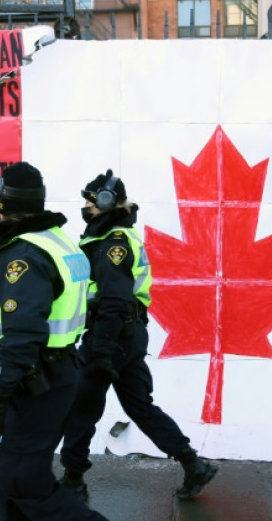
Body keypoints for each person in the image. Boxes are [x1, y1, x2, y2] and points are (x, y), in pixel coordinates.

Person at [57, 169, 218, 503]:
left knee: (81, 407)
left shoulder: (112, 241)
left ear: (104, 203)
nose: (85, 206)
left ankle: (73, 480)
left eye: (89, 201)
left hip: (111, 333)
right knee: (140, 407)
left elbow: (114, 297)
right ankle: (193, 464)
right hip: (128, 333)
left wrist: (100, 347)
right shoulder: (113, 237)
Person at [0, 162, 106, 520]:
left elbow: (24, 333)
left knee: (24, 482)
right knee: (12, 483)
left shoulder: (23, 254)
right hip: (54, 373)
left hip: (34, 381)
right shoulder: (58, 241)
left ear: (3, 200)